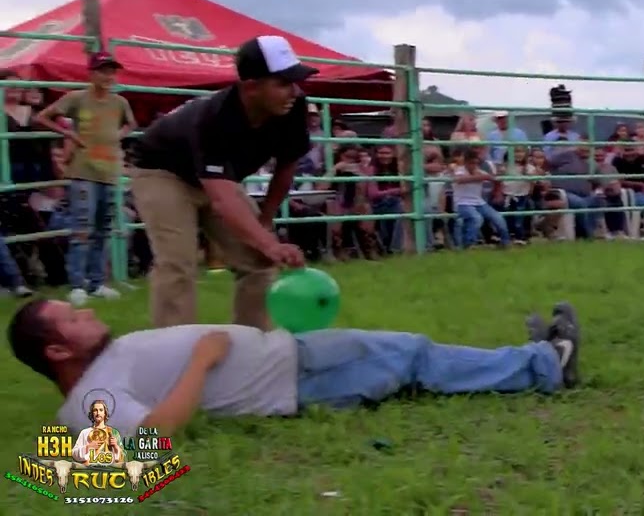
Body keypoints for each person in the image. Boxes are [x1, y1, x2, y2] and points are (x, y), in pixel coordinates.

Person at [9, 298, 581, 437]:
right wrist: (203, 361)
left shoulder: (106, 363)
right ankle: (542, 364)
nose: (86, 314)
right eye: (72, 320)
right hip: (291, 377)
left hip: (287, 356)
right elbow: (154, 435)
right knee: (412, 353)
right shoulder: (86, 402)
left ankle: (518, 361)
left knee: (409, 357)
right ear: (57, 351)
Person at [129, 36, 314, 330]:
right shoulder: (214, 119)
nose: (294, 91)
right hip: (162, 173)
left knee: (259, 261)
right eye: (283, 83)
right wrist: (268, 242)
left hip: (216, 182)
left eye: (296, 81)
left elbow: (286, 166)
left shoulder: (294, 107)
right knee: (178, 262)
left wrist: (265, 222)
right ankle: (174, 350)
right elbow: (223, 199)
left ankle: (253, 343)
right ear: (251, 86)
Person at [33, 52, 138, 305]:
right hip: (83, 171)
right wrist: (69, 134)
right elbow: (42, 116)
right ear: (91, 73)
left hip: (109, 171)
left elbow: (131, 123)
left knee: (102, 228)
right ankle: (77, 284)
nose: (108, 76)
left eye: (112, 71)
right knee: (82, 227)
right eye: (103, 71)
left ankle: (96, 282)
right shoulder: (77, 98)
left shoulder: (119, 102)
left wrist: (119, 135)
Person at [70, 397, 125, 466]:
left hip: (108, 471)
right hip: (90, 471)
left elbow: (123, 459)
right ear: (92, 413)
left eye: (101, 410)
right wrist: (88, 447)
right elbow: (74, 454)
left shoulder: (113, 432)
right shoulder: (85, 432)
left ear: (105, 413)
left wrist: (116, 447)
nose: (98, 413)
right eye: (95, 410)